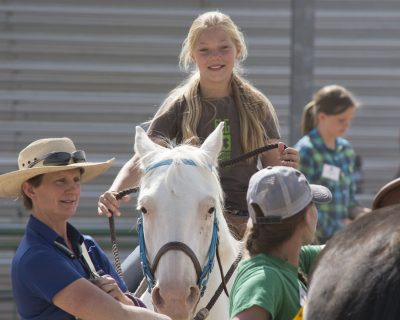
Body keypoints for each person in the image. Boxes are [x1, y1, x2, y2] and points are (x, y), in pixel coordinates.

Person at [97, 11, 298, 240]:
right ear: (193, 55)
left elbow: (274, 168)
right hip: (190, 224)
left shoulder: (257, 105)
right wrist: (115, 191)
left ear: (238, 50)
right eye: (205, 50)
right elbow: (143, 158)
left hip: (247, 223)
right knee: (135, 275)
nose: (215, 56)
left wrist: (288, 167)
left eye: (224, 48)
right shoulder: (178, 105)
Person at [0, 137, 170, 320]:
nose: (72, 189)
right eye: (60, 181)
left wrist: (122, 299)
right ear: (30, 190)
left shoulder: (86, 245)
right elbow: (118, 315)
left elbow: (130, 308)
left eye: (76, 180)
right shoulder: (36, 257)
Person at [229, 166, 332, 320]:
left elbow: (343, 251)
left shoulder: (290, 259)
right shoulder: (265, 280)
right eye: (313, 203)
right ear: (308, 215)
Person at [294, 85, 371, 243]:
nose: (347, 125)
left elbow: (349, 200)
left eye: (349, 120)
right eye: (341, 120)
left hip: (342, 240)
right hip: (316, 242)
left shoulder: (346, 150)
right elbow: (303, 204)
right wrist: (340, 228)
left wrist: (363, 215)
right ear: (322, 117)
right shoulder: (306, 151)